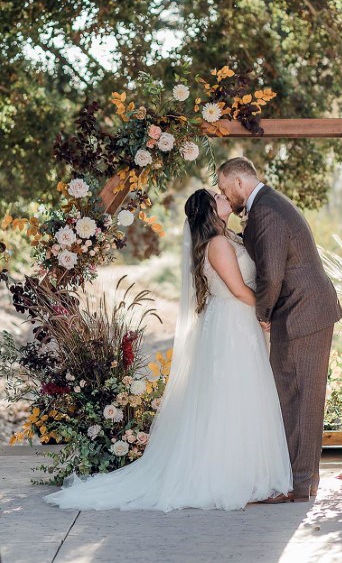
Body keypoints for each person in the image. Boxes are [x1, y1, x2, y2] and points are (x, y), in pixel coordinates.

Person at [43, 189, 292, 512]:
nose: (223, 195)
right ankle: (233, 474)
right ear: (210, 211)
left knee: (239, 395)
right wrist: (267, 311)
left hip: (234, 322)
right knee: (236, 395)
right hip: (233, 324)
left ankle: (247, 470)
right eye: (217, 195)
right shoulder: (217, 244)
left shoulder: (225, 236)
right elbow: (240, 290)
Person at [217, 157, 342, 502]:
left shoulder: (266, 211)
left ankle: (300, 486)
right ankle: (293, 480)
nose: (223, 194)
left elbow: (271, 274)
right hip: (301, 310)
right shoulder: (266, 206)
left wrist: (262, 314)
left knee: (301, 397)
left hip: (304, 312)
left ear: (240, 182)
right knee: (290, 394)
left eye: (225, 187)